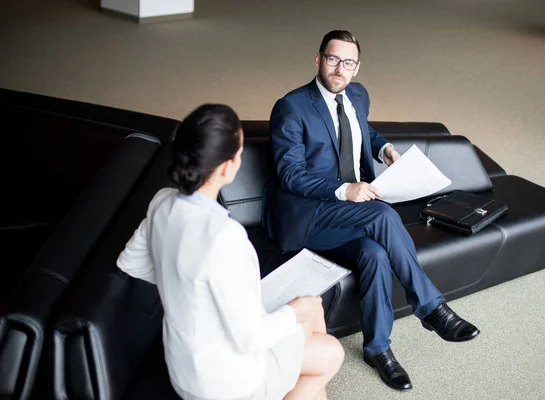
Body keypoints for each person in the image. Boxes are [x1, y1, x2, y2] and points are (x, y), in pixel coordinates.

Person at [266, 30, 480, 391]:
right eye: (333, 59)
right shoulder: (291, 107)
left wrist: (384, 150)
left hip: (349, 214)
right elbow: (289, 174)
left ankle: (378, 348)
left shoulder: (358, 94)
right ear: (318, 59)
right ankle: (430, 307)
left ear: (357, 66)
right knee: (382, 215)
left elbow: (360, 128)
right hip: (309, 214)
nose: (340, 69)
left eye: (348, 62)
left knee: (376, 254)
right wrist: (344, 189)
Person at [116, 104, 344, 400]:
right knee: (330, 352)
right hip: (228, 382)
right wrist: (294, 310)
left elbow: (130, 262)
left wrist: (187, 287)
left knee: (313, 309)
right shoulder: (225, 236)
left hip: (184, 368)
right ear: (227, 167)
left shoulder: (162, 201)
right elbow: (250, 339)